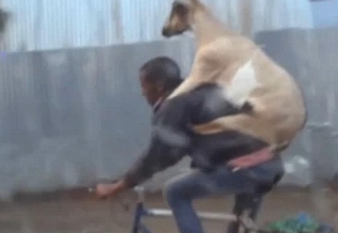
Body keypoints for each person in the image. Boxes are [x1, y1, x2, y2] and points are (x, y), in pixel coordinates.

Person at [95, 56, 284, 233]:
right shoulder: (202, 90)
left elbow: (157, 156)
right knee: (240, 215)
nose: (142, 92)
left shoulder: (174, 105)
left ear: (159, 86)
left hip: (248, 167)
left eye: (144, 86)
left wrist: (118, 186)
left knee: (174, 191)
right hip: (269, 161)